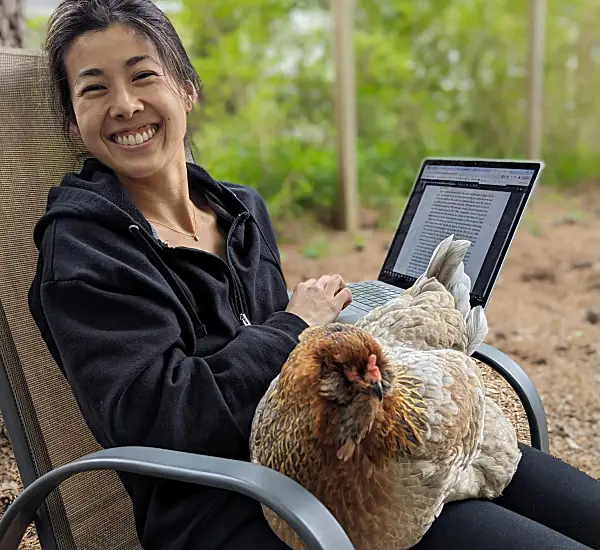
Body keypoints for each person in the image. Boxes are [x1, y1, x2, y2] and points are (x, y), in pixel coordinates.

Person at [27, 1, 600, 549]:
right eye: (94, 87)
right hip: (230, 506)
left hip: (335, 453)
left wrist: (369, 329)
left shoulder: (239, 210)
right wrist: (296, 324)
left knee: (567, 500)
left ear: (186, 88)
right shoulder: (83, 248)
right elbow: (157, 417)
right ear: (76, 123)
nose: (124, 104)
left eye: (142, 75)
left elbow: (277, 356)